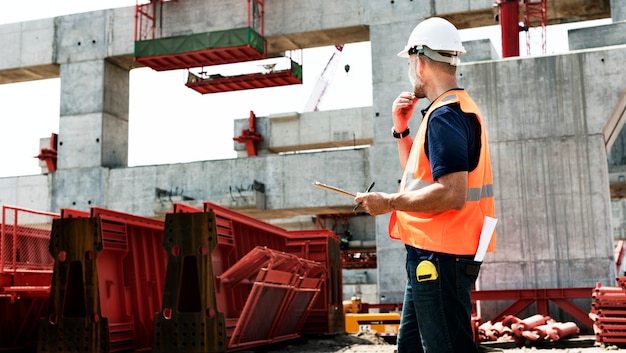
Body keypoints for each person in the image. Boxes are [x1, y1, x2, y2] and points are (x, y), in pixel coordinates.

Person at [354, 17, 496, 353]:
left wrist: (388, 202)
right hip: (434, 255)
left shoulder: (445, 115)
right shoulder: (449, 110)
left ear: (420, 63)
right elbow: (419, 180)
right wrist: (401, 129)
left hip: (441, 256)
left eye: (410, 63)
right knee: (411, 348)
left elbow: (451, 193)